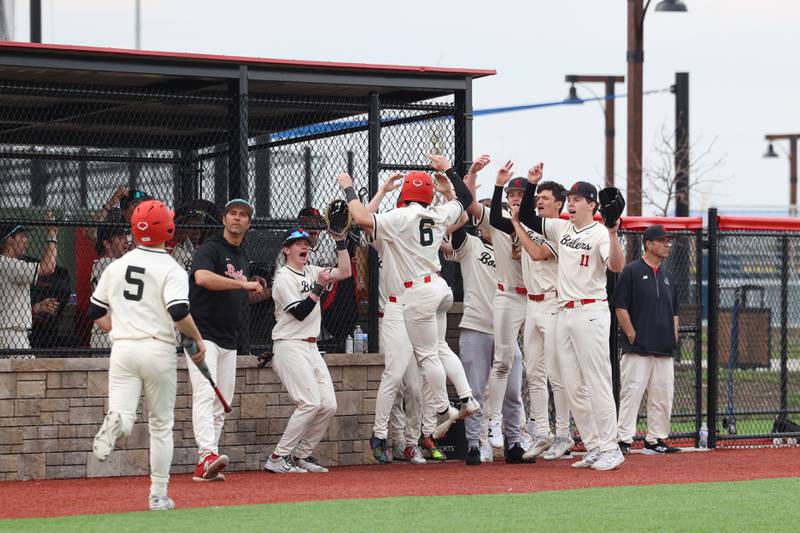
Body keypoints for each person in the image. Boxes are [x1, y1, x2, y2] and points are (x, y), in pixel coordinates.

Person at [338, 154, 479, 444]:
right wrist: (448, 187)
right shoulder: (437, 215)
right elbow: (464, 211)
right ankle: (467, 398)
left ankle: (443, 409)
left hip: (417, 294)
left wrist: (349, 188)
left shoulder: (400, 217)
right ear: (428, 195)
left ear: (404, 198)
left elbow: (363, 218)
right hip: (440, 287)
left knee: (427, 356)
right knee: (439, 348)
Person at [89, 199, 206, 511]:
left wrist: (117, 329)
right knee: (160, 425)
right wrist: (197, 338)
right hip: (158, 350)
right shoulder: (171, 267)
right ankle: (158, 494)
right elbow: (179, 310)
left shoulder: (115, 266)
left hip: (123, 348)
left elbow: (95, 310)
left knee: (124, 414)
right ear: (168, 230)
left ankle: (118, 423)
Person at [519, 174, 626, 471]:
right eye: (571, 200)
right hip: (565, 312)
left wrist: (614, 233)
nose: (572, 204)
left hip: (591, 311)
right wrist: (531, 184)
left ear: (592, 204)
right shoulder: (561, 227)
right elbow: (528, 214)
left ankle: (611, 447)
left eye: (578, 200)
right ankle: (593, 445)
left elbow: (617, 266)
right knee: (571, 382)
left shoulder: (600, 233)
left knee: (597, 380)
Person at [444, 183, 528, 465]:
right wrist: (452, 193)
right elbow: (457, 231)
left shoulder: (517, 249)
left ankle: (515, 443)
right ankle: (474, 446)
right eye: (483, 219)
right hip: (476, 327)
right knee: (475, 392)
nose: (485, 223)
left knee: (513, 391)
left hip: (507, 330)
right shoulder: (471, 245)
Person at [186, 198, 269, 481]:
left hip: (228, 338)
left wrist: (253, 290)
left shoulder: (242, 254)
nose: (237, 218)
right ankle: (207, 454)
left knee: (222, 402)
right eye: (232, 213)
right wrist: (242, 284)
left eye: (243, 215)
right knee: (205, 393)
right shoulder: (211, 248)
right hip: (201, 334)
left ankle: (205, 464)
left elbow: (237, 290)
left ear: (248, 223)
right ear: (223, 219)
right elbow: (202, 278)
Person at [265, 226, 351, 473]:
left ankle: (301, 455)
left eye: (305, 243)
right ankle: (278, 456)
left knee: (328, 405)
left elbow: (345, 271)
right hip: (289, 345)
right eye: (297, 243)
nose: (304, 246)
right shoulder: (283, 277)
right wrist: (318, 288)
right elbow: (300, 313)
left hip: (311, 347)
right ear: (286, 250)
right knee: (310, 403)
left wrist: (340, 241)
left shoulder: (313, 271)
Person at [509, 174, 574, 461]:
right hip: (531, 304)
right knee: (533, 372)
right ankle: (542, 434)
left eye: (546, 198)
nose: (540, 202)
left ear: (559, 204)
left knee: (556, 374)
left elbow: (536, 254)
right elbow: (517, 253)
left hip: (552, 304)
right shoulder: (529, 226)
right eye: (538, 198)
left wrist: (516, 225)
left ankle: (563, 434)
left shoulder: (561, 231)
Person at [614, 224, 681, 455]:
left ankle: (656, 439)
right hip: (638, 348)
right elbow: (620, 307)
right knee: (632, 392)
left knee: (663, 395)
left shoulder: (669, 277)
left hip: (663, 347)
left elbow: (674, 312)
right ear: (649, 244)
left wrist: (674, 337)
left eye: (667, 241)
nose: (667, 245)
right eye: (662, 241)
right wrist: (632, 334)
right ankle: (623, 439)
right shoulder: (632, 271)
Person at [0, 218, 58, 351]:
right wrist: (52, 235)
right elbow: (48, 268)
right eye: (22, 236)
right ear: (10, 240)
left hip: (12, 334)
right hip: (11, 336)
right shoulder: (8, 263)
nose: (26, 241)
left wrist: (37, 307)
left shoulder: (9, 264)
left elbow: (11, 303)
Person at [90, 224, 130, 349]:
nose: (125, 242)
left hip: (109, 332)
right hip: (106, 334)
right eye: (120, 238)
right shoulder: (107, 264)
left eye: (125, 237)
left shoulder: (111, 264)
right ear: (107, 243)